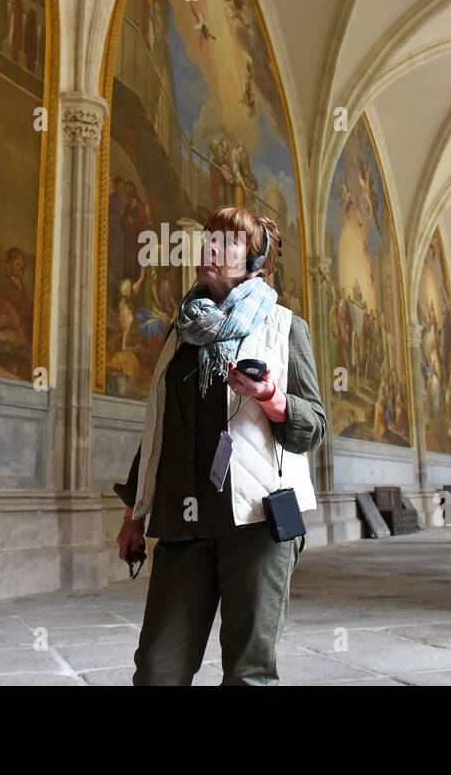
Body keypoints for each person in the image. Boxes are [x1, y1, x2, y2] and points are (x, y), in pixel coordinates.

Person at [114, 207, 326, 685]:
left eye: (228, 240)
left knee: (248, 671)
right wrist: (135, 513)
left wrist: (271, 397)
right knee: (156, 670)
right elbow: (160, 429)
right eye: (209, 237)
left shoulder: (283, 326)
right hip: (182, 520)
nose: (211, 246)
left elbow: (312, 426)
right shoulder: (182, 331)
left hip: (257, 523)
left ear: (255, 259)